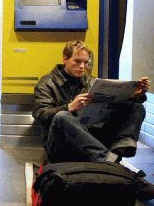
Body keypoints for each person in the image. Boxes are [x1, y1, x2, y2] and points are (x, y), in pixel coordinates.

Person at [33, 40, 154, 200]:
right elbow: (41, 115)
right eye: (77, 61)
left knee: (136, 106)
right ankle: (114, 163)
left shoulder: (91, 82)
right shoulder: (46, 83)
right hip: (59, 145)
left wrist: (133, 95)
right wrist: (69, 107)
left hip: (91, 140)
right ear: (65, 59)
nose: (82, 67)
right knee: (63, 116)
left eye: (86, 62)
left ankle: (120, 148)